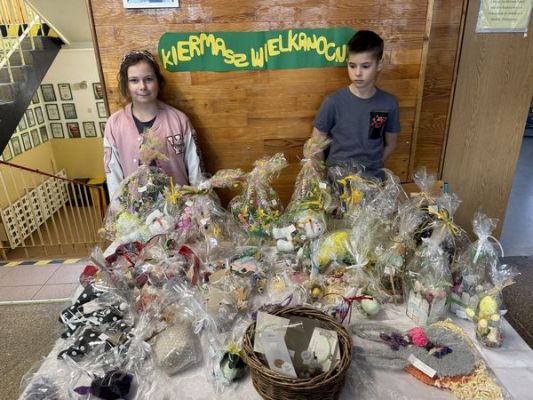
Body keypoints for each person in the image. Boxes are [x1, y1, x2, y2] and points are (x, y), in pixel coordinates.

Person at [103, 50, 204, 199]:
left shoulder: (179, 120)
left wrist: (201, 202)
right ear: (126, 85)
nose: (142, 86)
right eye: (134, 80)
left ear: (158, 82)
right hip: (134, 210)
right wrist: (117, 208)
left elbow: (196, 170)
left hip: (180, 208)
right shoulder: (114, 124)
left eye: (149, 79)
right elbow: (113, 176)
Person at [312, 30, 400, 180]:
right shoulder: (332, 102)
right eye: (352, 66)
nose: (357, 73)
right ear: (347, 63)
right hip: (337, 182)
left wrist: (372, 168)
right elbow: (315, 144)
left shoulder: (389, 103)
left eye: (365, 66)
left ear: (379, 64)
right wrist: (322, 178)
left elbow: (391, 144)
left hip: (372, 182)